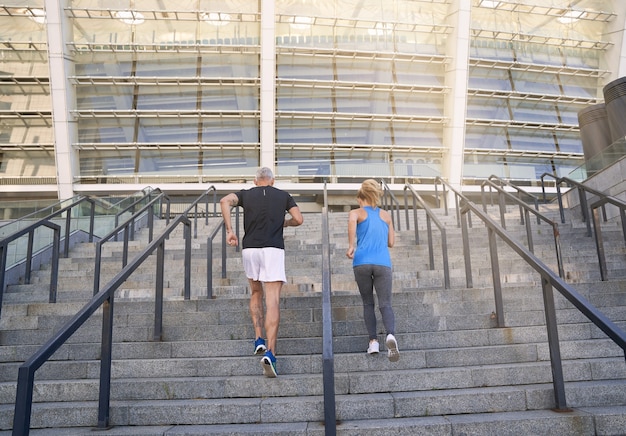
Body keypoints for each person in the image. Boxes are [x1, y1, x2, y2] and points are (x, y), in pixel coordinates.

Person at [220, 167, 303, 377]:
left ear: (255, 181)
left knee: (256, 292)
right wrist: (285, 222)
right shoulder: (284, 196)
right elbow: (299, 219)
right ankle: (271, 353)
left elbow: (224, 201)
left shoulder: (245, 194)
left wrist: (230, 231)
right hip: (273, 248)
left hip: (251, 249)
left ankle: (258, 338)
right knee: (272, 299)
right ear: (272, 181)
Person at [345, 179, 400, 362]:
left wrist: (351, 245)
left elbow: (352, 222)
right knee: (385, 303)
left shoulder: (356, 212)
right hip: (383, 263)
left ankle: (373, 342)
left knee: (368, 303)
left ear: (361, 197)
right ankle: (390, 336)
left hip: (361, 262)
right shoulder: (386, 215)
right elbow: (391, 243)